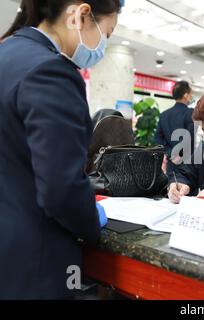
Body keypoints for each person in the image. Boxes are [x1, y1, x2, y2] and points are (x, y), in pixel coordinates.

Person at [0, 0, 123, 299]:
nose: (103, 44)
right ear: (81, 15)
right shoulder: (51, 71)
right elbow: (61, 188)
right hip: (32, 262)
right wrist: (90, 221)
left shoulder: (6, 54)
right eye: (107, 33)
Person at [155, 81, 196, 174]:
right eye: (190, 94)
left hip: (171, 163)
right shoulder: (190, 113)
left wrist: (170, 154)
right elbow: (190, 137)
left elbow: (158, 138)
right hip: (187, 163)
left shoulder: (164, 115)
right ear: (186, 95)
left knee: (171, 186)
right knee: (187, 187)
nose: (191, 96)